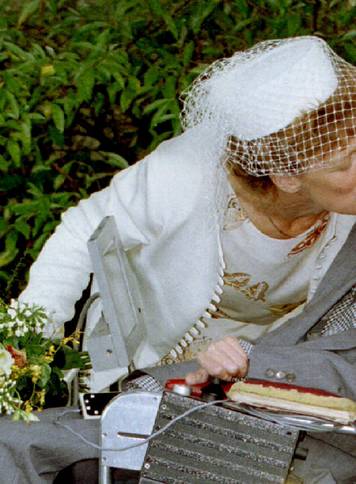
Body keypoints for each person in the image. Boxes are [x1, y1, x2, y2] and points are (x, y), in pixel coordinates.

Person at [19, 36, 356, 391]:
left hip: (269, 368)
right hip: (150, 361)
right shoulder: (184, 175)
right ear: (286, 175)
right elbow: (81, 232)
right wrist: (28, 342)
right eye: (345, 163)